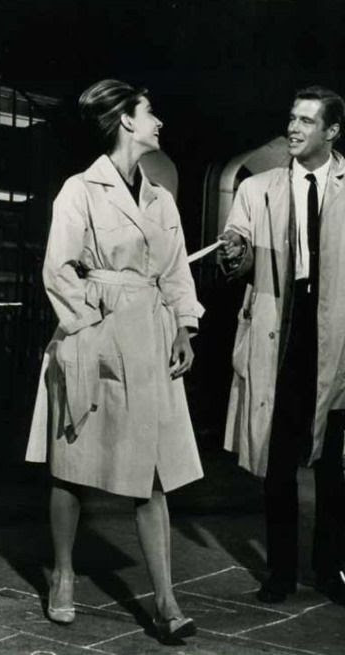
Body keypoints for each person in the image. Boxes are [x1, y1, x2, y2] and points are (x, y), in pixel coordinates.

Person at [26, 79, 204, 641]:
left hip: (150, 340)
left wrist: (184, 326)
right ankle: (63, 576)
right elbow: (58, 269)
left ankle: (166, 602)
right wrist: (90, 325)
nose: (159, 122)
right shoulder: (79, 190)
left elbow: (176, 270)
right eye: (150, 112)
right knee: (72, 464)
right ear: (126, 120)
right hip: (93, 336)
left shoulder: (161, 197)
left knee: (151, 472)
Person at [219, 85, 345, 607]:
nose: (293, 128)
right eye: (292, 118)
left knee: (336, 464)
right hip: (282, 331)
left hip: (339, 337)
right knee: (277, 462)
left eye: (306, 121)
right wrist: (234, 253)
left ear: (332, 131)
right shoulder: (259, 188)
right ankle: (279, 571)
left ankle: (330, 569)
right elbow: (236, 255)